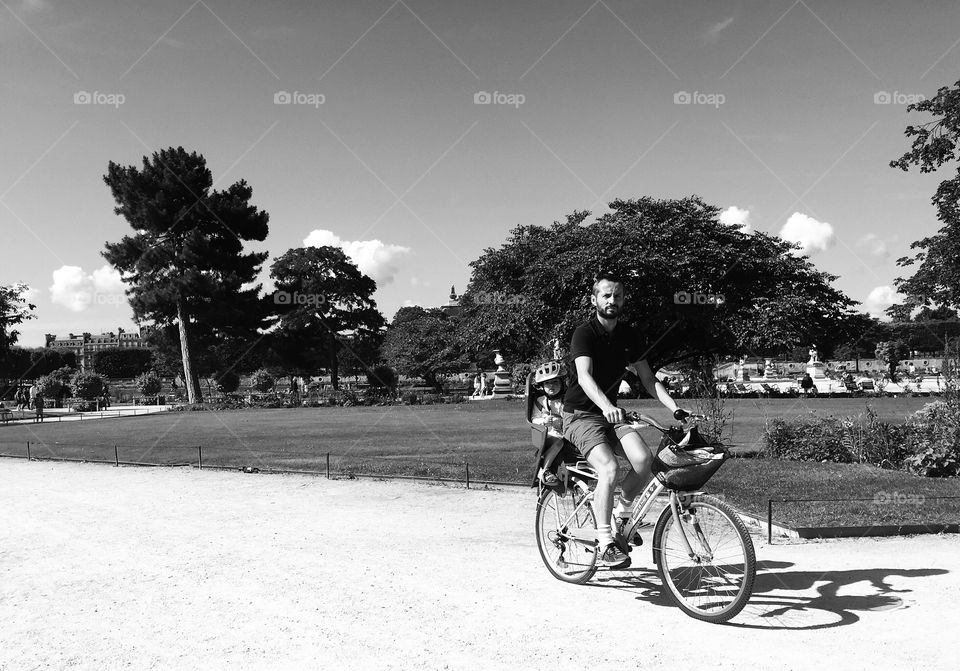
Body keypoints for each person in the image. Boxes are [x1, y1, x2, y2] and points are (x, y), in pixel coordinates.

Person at [561, 274, 688, 568]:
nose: (612, 301)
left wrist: (675, 408)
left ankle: (621, 516)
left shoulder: (629, 335)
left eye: (617, 296)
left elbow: (647, 378)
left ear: (623, 300)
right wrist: (606, 406)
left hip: (610, 414)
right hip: (581, 415)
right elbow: (584, 376)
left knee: (644, 461)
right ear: (594, 300)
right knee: (610, 468)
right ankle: (605, 542)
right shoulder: (585, 333)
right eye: (606, 295)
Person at [530, 360, 566, 487]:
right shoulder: (541, 401)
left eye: (555, 382)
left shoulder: (565, 401)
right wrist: (544, 421)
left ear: (562, 383)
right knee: (558, 442)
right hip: (549, 435)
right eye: (547, 383)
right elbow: (534, 419)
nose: (551, 386)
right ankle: (544, 470)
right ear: (542, 385)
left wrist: (561, 421)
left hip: (565, 432)